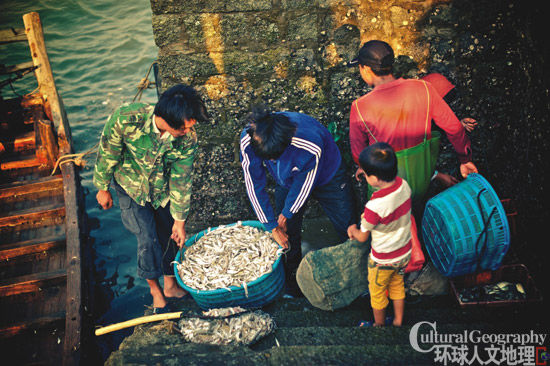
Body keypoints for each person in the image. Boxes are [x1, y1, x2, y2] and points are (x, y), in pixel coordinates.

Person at [93, 84, 208, 313]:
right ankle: (155, 291)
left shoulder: (187, 140)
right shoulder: (126, 118)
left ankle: (170, 285)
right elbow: (108, 151)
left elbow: (181, 179)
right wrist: (102, 187)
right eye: (185, 126)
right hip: (131, 189)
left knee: (169, 236)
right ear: (169, 119)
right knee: (147, 239)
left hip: (162, 191)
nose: (189, 130)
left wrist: (179, 220)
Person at [240, 106, 356, 297]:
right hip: (285, 180)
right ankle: (291, 280)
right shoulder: (248, 139)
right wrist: (271, 225)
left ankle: (357, 276)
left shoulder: (309, 142)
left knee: (347, 224)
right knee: (286, 234)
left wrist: (286, 214)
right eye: (267, 158)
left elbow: (304, 186)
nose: (270, 160)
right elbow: (253, 184)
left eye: (274, 157)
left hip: (328, 175)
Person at [348, 40, 478, 201]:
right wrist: (465, 160)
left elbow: (359, 154)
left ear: (366, 69)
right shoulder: (424, 88)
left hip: (387, 190)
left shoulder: (360, 107)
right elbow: (455, 128)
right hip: (421, 183)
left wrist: (363, 166)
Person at [347, 142, 411, 327]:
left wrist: (353, 230)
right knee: (397, 285)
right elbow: (393, 213)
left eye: (366, 174)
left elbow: (362, 237)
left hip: (382, 260)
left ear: (374, 179)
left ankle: (379, 326)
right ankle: (398, 321)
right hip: (404, 252)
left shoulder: (373, 206)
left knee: (378, 292)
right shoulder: (404, 186)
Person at [421, 72, 478, 187]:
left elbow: (442, 122)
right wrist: (437, 176)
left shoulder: (422, 105)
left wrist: (459, 122)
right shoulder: (413, 124)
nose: (445, 108)